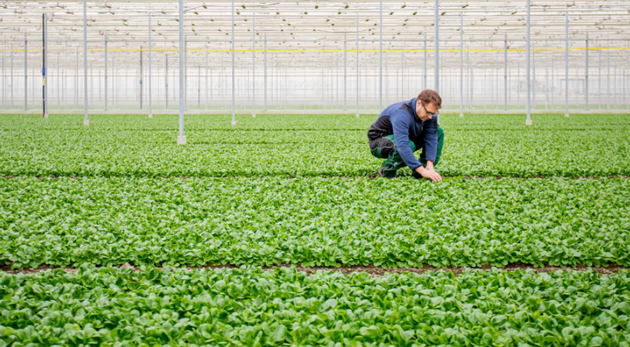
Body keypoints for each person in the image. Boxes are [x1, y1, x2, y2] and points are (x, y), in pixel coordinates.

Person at [367, 89, 444, 181]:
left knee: (438, 132)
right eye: (428, 112)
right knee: (407, 145)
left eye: (433, 113)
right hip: (379, 142)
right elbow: (402, 145)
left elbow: (431, 137)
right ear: (419, 103)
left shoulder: (429, 114)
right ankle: (387, 171)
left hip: (404, 138)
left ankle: (421, 172)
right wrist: (422, 170)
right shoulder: (401, 113)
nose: (430, 116)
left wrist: (430, 165)